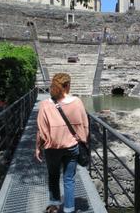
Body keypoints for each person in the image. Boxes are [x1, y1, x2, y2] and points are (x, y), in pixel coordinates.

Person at [35, 73, 89, 213]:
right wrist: (82, 140)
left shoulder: (45, 104)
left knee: (53, 175)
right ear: (67, 85)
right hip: (72, 146)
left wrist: (38, 147)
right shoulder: (77, 102)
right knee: (69, 179)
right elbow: (85, 125)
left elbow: (41, 129)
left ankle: (53, 205)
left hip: (52, 148)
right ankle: (69, 209)